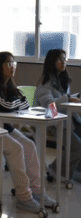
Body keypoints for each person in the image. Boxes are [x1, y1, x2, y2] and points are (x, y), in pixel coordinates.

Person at [0, 51, 56, 212]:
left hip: (4, 127)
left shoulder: (9, 84)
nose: (12, 67)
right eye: (8, 63)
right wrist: (15, 103)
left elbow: (25, 102)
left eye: (14, 63)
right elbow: (4, 104)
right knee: (16, 148)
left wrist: (15, 102)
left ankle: (36, 191)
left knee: (29, 145)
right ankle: (23, 196)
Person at [35, 49, 81, 182]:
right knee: (77, 146)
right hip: (54, 121)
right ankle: (55, 171)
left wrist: (75, 97)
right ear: (52, 61)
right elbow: (50, 106)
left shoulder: (62, 78)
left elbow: (63, 99)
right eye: (60, 59)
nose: (63, 62)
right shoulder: (45, 82)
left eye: (65, 59)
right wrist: (68, 98)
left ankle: (76, 171)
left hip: (68, 118)